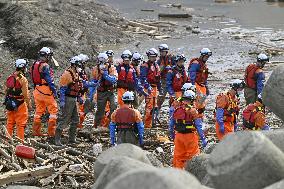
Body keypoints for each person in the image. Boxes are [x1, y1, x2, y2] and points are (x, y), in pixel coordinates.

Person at [169, 90, 207, 169]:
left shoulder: (177, 109)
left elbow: (171, 124)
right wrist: (203, 138)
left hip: (178, 136)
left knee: (179, 157)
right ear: (192, 100)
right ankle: (191, 174)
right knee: (193, 156)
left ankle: (178, 174)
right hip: (190, 137)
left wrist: (172, 134)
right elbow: (198, 126)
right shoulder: (193, 111)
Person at [55, 56, 84, 146]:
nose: (80, 67)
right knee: (65, 118)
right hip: (68, 99)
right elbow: (63, 89)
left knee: (75, 119)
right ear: (74, 65)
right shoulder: (67, 74)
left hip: (74, 99)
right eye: (78, 65)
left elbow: (77, 87)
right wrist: (62, 101)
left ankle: (72, 139)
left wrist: (79, 97)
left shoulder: (76, 74)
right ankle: (57, 139)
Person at [30, 47, 58, 137]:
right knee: (53, 111)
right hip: (46, 91)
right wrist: (54, 91)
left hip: (37, 91)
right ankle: (51, 133)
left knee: (38, 111)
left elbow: (33, 77)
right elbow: (50, 81)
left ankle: (36, 132)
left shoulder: (35, 64)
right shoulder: (45, 66)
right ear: (47, 55)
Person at [4, 59, 31, 141]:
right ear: (23, 67)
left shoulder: (10, 77)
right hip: (20, 103)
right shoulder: (23, 79)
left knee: (10, 123)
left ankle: (7, 141)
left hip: (10, 102)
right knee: (21, 124)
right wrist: (29, 104)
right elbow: (26, 94)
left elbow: (6, 90)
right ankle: (20, 142)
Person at [92, 53, 117, 128]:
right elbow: (94, 81)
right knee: (100, 110)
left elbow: (114, 80)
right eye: (100, 62)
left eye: (104, 62)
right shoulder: (96, 69)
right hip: (101, 92)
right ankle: (96, 125)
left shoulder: (111, 68)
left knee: (113, 106)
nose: (102, 64)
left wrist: (106, 75)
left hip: (110, 91)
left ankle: (112, 124)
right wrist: (91, 95)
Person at [140, 48, 162, 128]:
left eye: (154, 57)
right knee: (149, 107)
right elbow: (143, 78)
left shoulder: (156, 66)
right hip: (148, 87)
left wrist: (160, 89)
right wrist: (147, 86)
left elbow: (158, 78)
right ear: (148, 57)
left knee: (155, 107)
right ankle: (146, 124)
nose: (153, 58)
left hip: (155, 88)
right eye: (151, 56)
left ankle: (151, 122)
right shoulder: (145, 66)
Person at [188, 48, 212, 115]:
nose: (207, 58)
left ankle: (200, 116)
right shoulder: (195, 63)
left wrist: (206, 87)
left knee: (202, 101)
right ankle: (195, 116)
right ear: (202, 55)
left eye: (208, 57)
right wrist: (193, 86)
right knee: (197, 101)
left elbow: (204, 77)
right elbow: (192, 75)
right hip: (196, 84)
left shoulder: (204, 65)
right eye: (206, 57)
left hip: (202, 85)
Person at [156, 44, 175, 109]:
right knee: (160, 98)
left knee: (173, 98)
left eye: (163, 51)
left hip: (172, 81)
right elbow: (157, 72)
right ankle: (156, 113)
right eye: (160, 51)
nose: (161, 53)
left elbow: (178, 67)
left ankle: (173, 112)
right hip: (163, 81)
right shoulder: (159, 61)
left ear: (166, 52)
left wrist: (171, 68)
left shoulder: (172, 58)